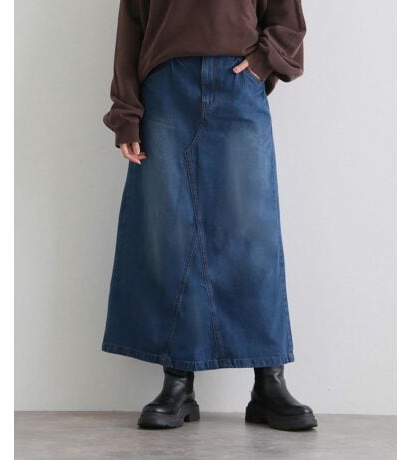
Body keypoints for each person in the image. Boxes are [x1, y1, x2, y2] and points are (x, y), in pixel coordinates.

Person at [102, 0, 317, 431]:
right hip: (165, 89)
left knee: (252, 234)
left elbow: (287, 18)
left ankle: (268, 382)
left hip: (237, 82)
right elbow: (131, 27)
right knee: (169, 233)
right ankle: (178, 382)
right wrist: (126, 112)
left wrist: (262, 63)